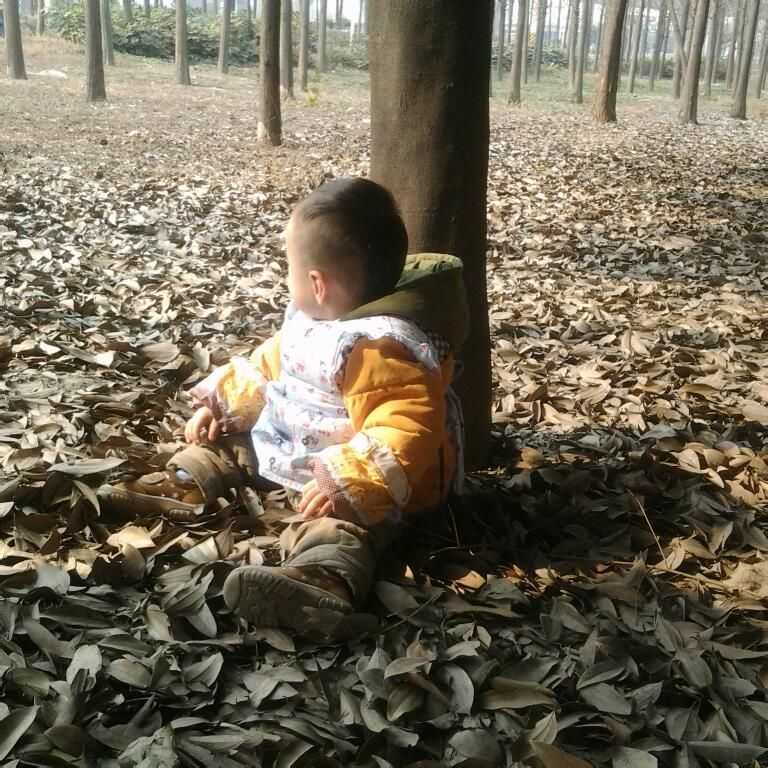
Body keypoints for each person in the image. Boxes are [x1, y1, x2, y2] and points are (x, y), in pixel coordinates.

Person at [98, 178, 468, 638]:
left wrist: (350, 481)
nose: (285, 277)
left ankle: (321, 579)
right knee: (228, 442)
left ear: (317, 284)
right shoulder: (312, 319)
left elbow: (406, 425)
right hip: (290, 442)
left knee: (344, 529)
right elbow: (271, 363)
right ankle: (185, 483)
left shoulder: (380, 348)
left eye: (289, 266)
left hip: (352, 484)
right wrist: (225, 405)